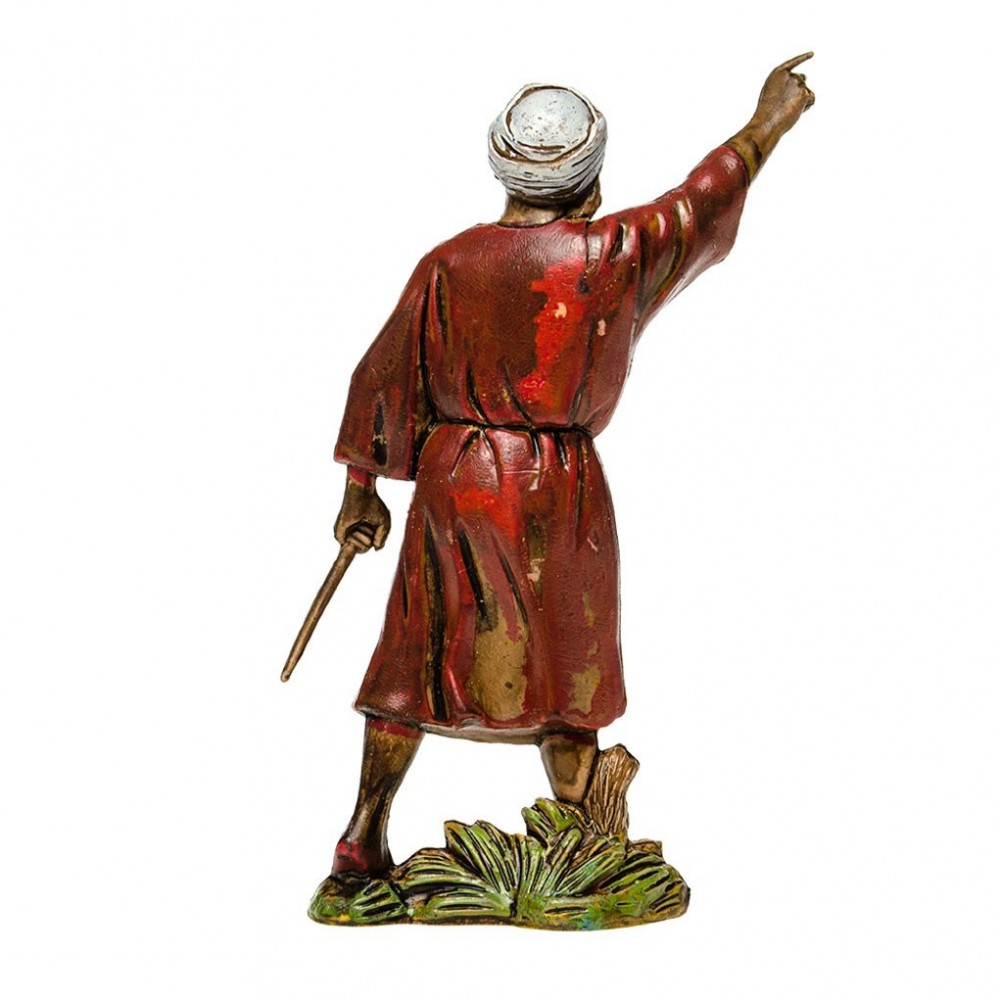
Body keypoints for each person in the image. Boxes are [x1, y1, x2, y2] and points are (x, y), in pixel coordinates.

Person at [328, 55, 815, 877]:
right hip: (555, 491)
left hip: (456, 485)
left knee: (416, 657)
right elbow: (697, 204)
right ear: (590, 181)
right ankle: (581, 837)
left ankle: (364, 833)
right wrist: (770, 121)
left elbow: (384, 374)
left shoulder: (449, 262)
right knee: (567, 667)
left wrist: (361, 490)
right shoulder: (611, 253)